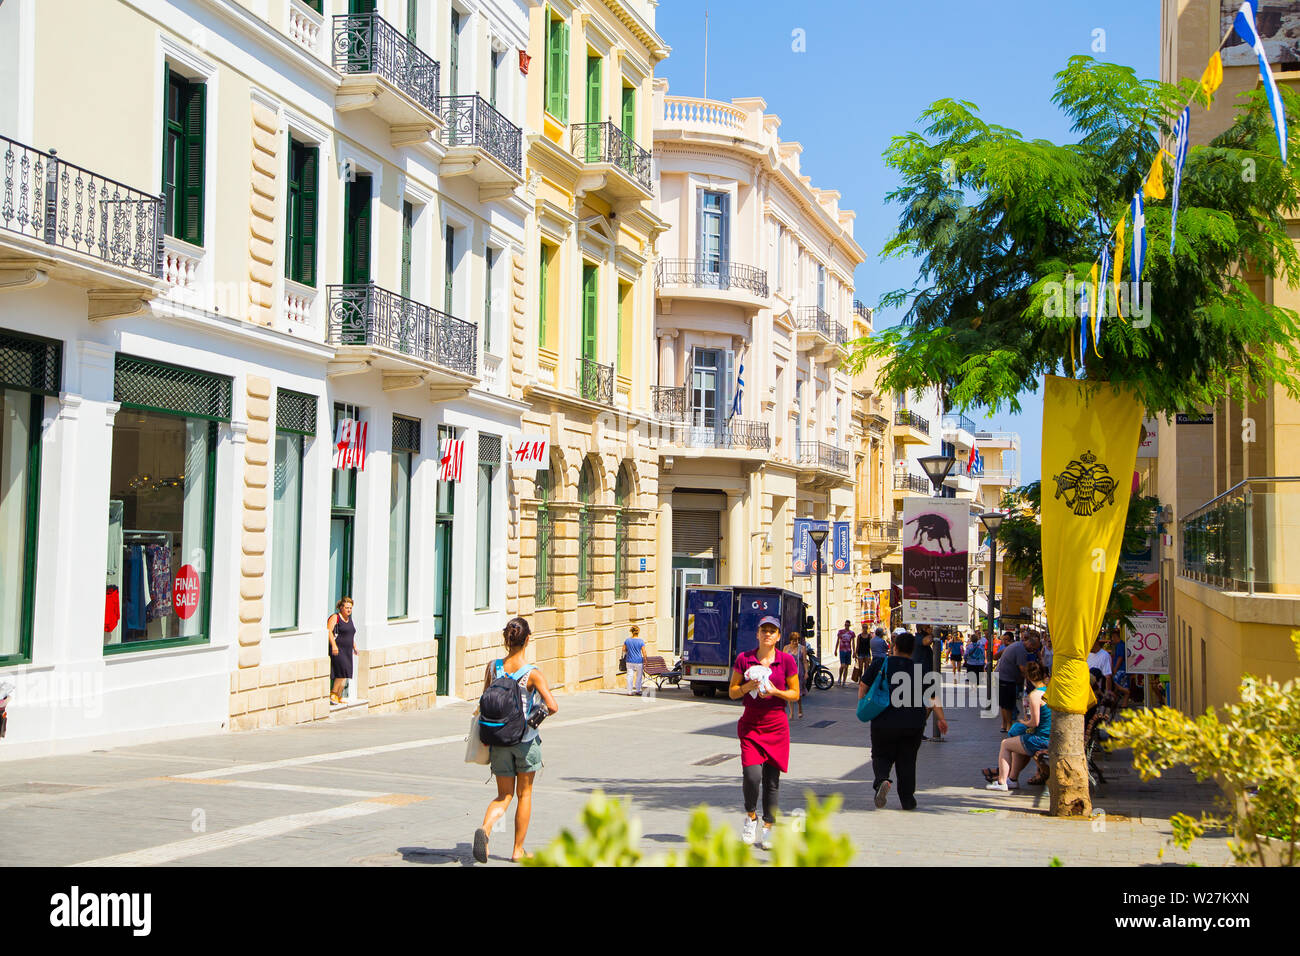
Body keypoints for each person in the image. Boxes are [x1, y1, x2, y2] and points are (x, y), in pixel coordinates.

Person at [474, 617, 559, 863]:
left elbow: (484, 701)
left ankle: (485, 829)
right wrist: (532, 721)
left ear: (506, 639)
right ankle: (517, 851)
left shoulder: (492, 668)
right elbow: (552, 706)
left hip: (498, 739)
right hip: (525, 742)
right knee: (525, 795)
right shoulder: (532, 673)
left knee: (503, 795)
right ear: (528, 640)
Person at [731, 616, 800, 848]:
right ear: (757, 634)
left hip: (777, 726)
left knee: (772, 780)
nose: (768, 634)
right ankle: (751, 817)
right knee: (752, 776)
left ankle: (769, 827)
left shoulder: (787, 660)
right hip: (751, 726)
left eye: (772, 631)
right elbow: (732, 692)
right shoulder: (744, 659)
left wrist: (776, 692)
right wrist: (746, 687)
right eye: (764, 630)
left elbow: (795, 693)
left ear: (779, 636)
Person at [860, 629, 948, 810]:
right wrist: (941, 719)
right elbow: (932, 697)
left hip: (883, 721)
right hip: (913, 723)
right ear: (912, 650)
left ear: (895, 646)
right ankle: (907, 799)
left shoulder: (880, 663)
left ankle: (882, 780)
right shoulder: (920, 669)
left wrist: (862, 703)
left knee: (881, 755)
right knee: (907, 761)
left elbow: (863, 685)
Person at [984, 662, 1052, 791]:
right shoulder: (1049, 691)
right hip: (1050, 736)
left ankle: (1002, 781)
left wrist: (1023, 722)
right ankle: (1013, 779)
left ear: (1028, 677)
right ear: (1043, 675)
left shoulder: (1034, 696)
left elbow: (1034, 722)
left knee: (1005, 744)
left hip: (1041, 739)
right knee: (1018, 741)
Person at [995, 634, 1038, 732]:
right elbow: (1022, 668)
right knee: (1008, 704)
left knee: (1004, 703)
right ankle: (1009, 725)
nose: (1033, 651)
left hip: (1003, 677)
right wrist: (1033, 680)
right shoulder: (1021, 650)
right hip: (1007, 678)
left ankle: (1005, 725)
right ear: (1030, 645)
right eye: (1033, 649)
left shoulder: (1017, 645)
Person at [327, 597, 357, 705]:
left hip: (348, 650)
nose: (349, 610)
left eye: (350, 608)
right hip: (338, 649)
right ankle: (333, 693)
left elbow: (350, 634)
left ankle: (339, 695)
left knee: (346, 673)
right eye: (347, 608)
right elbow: (329, 631)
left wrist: (354, 646)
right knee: (341, 671)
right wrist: (334, 645)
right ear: (341, 607)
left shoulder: (349, 619)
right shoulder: (336, 617)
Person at [783, 630, 807, 719]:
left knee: (798, 694)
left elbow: (804, 661)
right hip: (788, 674)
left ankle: (800, 707)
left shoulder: (802, 648)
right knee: (789, 692)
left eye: (797, 640)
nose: (795, 642)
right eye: (794, 640)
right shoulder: (786, 648)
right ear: (790, 640)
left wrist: (806, 672)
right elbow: (783, 661)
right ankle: (792, 712)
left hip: (798, 673)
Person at [623, 624, 646, 695]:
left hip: (629, 660)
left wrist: (628, 651)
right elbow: (644, 652)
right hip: (639, 661)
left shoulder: (627, 640)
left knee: (630, 676)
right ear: (638, 632)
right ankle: (638, 690)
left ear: (631, 632)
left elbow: (623, 649)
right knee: (639, 676)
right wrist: (645, 659)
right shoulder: (641, 641)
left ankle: (629, 691)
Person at [835, 620, 856, 686]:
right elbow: (838, 641)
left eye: (848, 625)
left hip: (848, 650)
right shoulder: (840, 632)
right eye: (846, 625)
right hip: (842, 650)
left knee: (846, 667)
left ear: (849, 625)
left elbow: (853, 643)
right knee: (842, 666)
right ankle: (839, 678)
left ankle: (844, 681)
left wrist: (854, 651)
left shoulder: (852, 633)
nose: (846, 626)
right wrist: (835, 650)